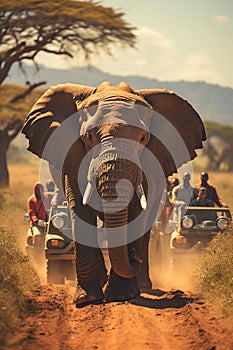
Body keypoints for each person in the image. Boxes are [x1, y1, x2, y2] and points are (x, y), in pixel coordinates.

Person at [27, 182, 53, 255]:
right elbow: (31, 213)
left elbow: (56, 195)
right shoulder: (31, 200)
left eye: (41, 189)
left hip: (48, 223)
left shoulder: (47, 197)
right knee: (38, 236)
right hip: (37, 225)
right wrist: (36, 221)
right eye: (38, 189)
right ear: (35, 190)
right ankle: (36, 256)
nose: (39, 191)